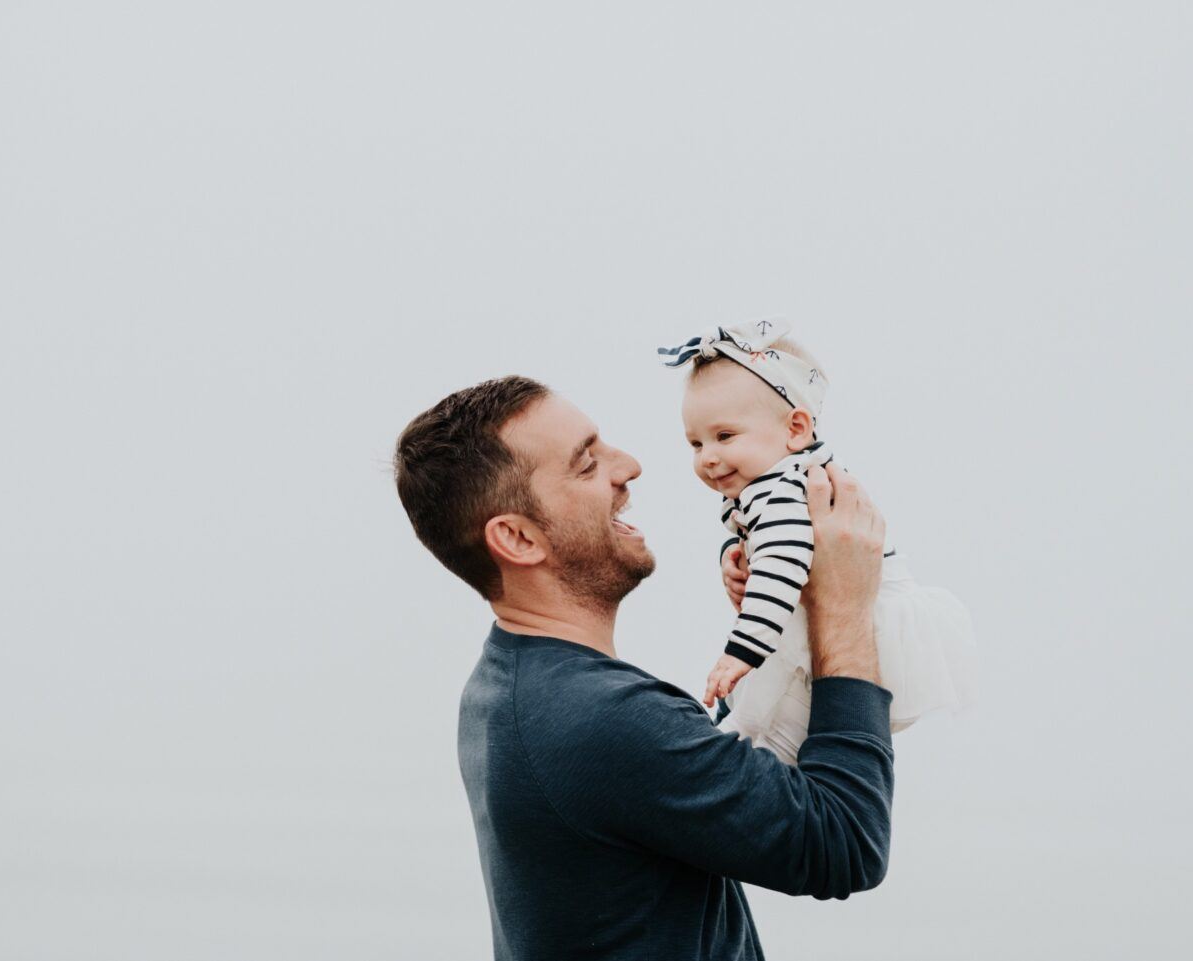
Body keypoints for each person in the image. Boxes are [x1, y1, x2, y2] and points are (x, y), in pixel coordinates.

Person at [394, 375, 894, 961]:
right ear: (518, 538)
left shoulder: (509, 680)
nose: (629, 465)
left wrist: (783, 625)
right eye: (586, 464)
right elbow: (842, 843)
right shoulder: (601, 719)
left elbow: (721, 777)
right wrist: (843, 611)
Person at [660, 320, 977, 764]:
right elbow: (766, 546)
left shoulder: (782, 490)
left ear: (795, 428)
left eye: (724, 436)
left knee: (772, 728)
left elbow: (782, 565)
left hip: (856, 616)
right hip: (838, 616)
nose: (707, 457)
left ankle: (749, 766)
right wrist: (734, 558)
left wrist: (739, 653)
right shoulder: (784, 478)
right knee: (777, 719)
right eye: (695, 443)